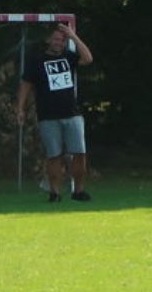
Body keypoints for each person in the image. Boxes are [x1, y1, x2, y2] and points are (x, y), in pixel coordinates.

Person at [15, 21, 95, 202]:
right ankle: (55, 192)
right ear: (48, 40)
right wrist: (20, 109)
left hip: (72, 113)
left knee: (79, 153)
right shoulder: (37, 61)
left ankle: (79, 191)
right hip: (48, 116)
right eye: (56, 39)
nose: (59, 43)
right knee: (54, 155)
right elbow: (25, 85)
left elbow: (88, 58)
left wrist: (73, 36)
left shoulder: (69, 57)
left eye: (62, 40)